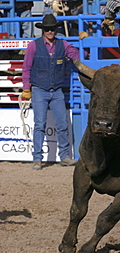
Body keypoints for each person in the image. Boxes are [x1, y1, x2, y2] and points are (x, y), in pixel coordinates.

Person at [21, 14, 79, 170]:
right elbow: (26, 68)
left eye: (52, 29)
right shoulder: (33, 46)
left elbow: (79, 56)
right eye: (47, 29)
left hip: (56, 90)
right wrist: (26, 87)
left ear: (55, 29)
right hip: (40, 89)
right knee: (40, 124)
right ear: (43, 30)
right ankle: (37, 158)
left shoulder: (63, 45)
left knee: (62, 124)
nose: (50, 31)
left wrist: (84, 43)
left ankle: (64, 156)